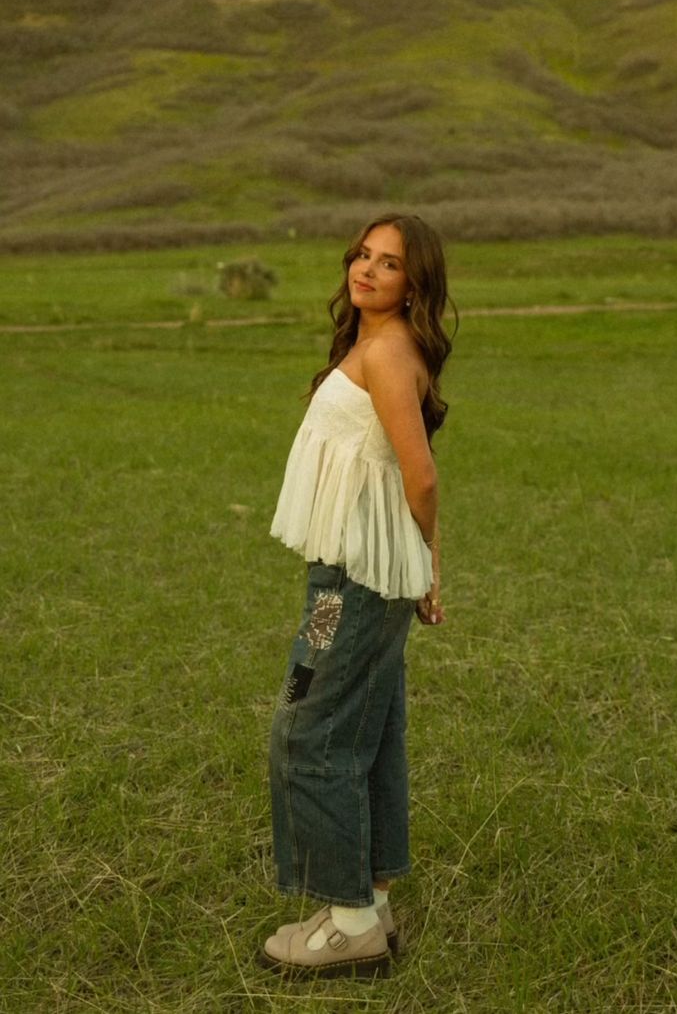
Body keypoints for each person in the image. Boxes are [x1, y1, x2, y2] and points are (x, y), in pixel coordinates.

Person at [260, 212, 454, 979]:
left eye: (391, 264)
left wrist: (428, 569)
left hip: (355, 583)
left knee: (306, 731)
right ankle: (367, 906)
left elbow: (423, 476)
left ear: (416, 284)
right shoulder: (377, 346)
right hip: (368, 570)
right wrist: (426, 567)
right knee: (368, 734)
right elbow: (414, 468)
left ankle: (347, 923)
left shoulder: (388, 353)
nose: (368, 270)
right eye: (363, 255)